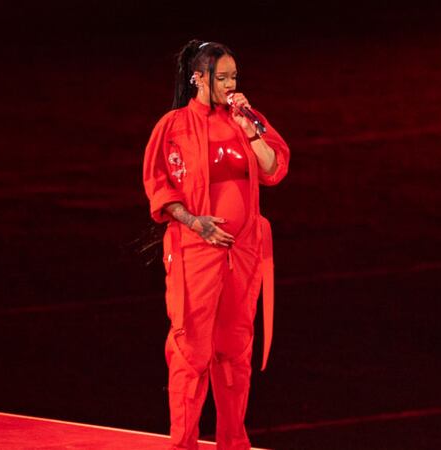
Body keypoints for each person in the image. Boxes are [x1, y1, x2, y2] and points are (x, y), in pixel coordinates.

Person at [142, 39, 290, 449]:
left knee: (236, 350)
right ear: (198, 78)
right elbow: (159, 185)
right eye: (221, 78)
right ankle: (183, 443)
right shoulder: (173, 126)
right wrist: (196, 223)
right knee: (191, 350)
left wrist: (251, 131)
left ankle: (233, 441)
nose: (230, 85)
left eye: (234, 77)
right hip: (195, 252)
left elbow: (274, 169)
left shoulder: (246, 120)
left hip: (242, 254)